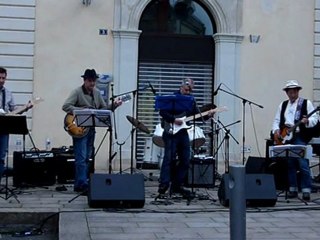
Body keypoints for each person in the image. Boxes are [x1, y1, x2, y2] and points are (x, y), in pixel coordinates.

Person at [62, 69, 122, 193]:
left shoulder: (96, 93)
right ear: (84, 80)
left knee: (87, 157)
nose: (92, 83)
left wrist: (114, 105)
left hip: (91, 129)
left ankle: (81, 183)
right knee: (81, 156)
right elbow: (66, 106)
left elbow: (103, 109)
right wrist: (81, 110)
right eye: (90, 81)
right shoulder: (77, 92)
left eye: (94, 81)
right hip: (79, 128)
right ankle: (82, 183)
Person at [158, 78, 215, 197]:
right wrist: (174, 120)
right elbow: (162, 112)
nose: (188, 92)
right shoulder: (172, 98)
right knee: (169, 158)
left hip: (183, 132)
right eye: (186, 89)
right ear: (181, 87)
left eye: (190, 90)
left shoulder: (191, 101)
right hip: (170, 131)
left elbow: (196, 116)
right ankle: (163, 184)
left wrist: (207, 116)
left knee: (185, 159)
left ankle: (177, 185)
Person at [272, 80, 318, 201]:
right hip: (285, 135)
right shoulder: (282, 105)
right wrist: (276, 131)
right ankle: (292, 188)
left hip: (299, 136)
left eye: (294, 92)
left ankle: (306, 190)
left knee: (302, 163)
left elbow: (315, 118)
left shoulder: (305, 103)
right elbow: (276, 120)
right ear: (287, 93)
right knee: (290, 163)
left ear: (298, 91)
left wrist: (307, 121)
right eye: (290, 92)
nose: (292, 95)